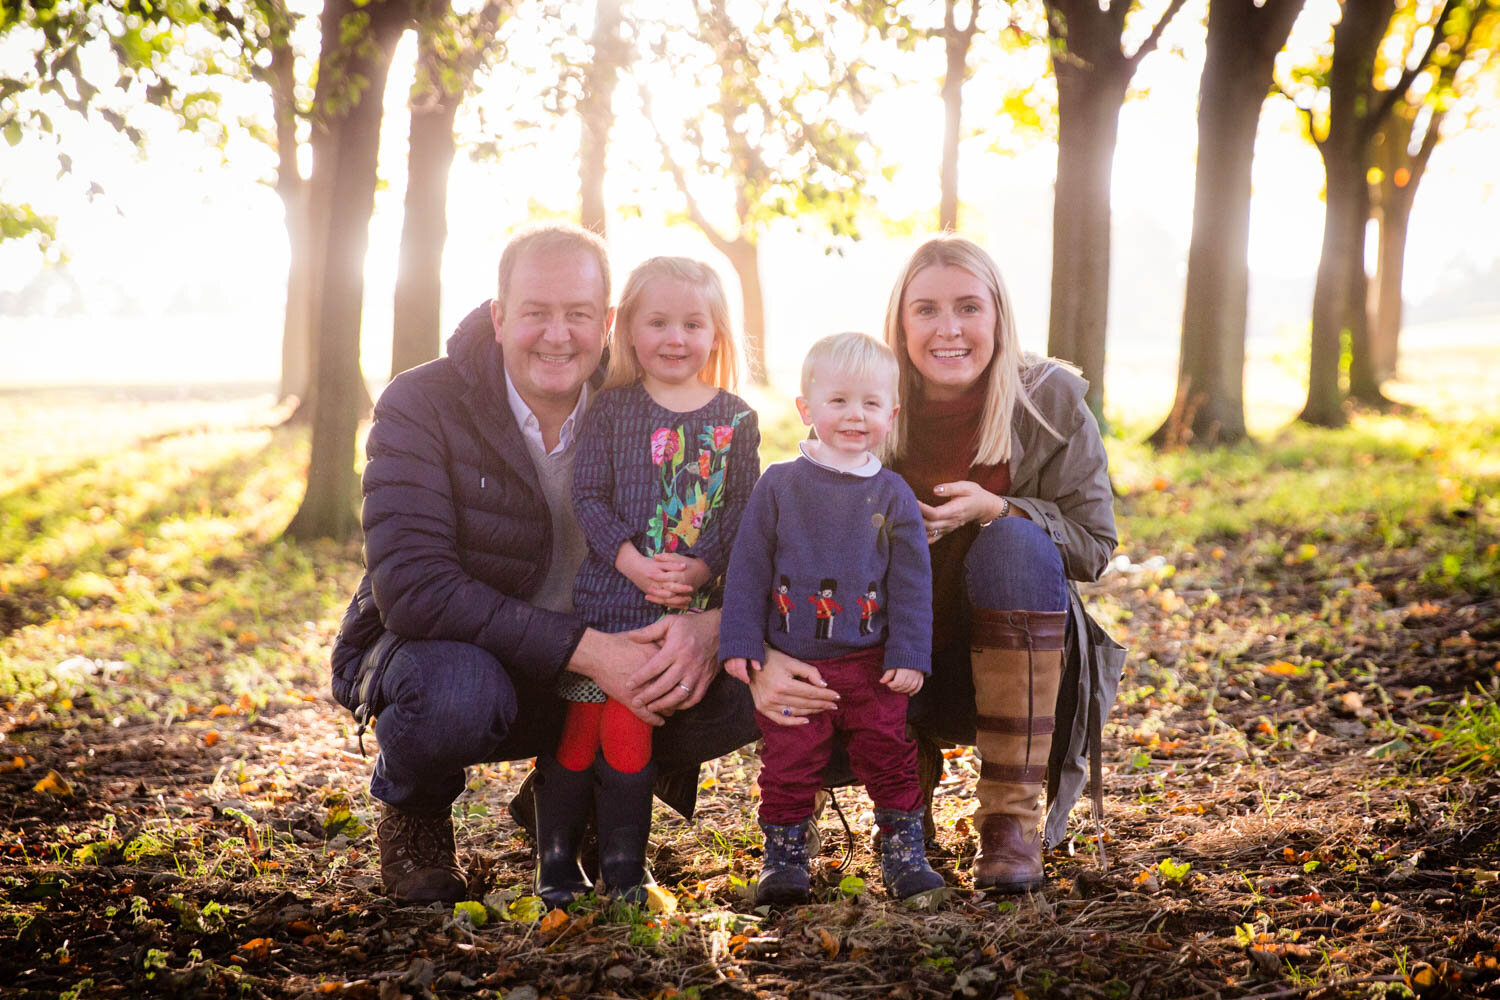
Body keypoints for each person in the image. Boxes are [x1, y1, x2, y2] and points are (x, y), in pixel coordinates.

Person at [329, 225, 757, 905]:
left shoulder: (658, 406)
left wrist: (713, 628)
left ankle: (573, 802)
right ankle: (415, 810)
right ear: (500, 318)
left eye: (579, 314)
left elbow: (735, 533)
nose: (558, 335)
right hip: (474, 656)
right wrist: (588, 652)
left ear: (607, 322)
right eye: (535, 312)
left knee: (743, 671)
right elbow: (414, 589)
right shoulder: (422, 406)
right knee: (454, 694)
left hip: (616, 650)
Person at [744, 236, 1122, 894]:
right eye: (927, 310)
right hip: (882, 661)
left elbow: (1094, 543)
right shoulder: (866, 402)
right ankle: (903, 812)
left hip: (1014, 664)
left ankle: (1010, 824)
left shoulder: (1050, 399)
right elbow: (786, 535)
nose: (949, 329)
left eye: (968, 307)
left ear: (998, 316)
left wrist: (997, 507)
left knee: (1015, 540)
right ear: (902, 322)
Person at [535, 257, 759, 909]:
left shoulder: (737, 421)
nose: (674, 337)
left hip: (674, 621)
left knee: (631, 728)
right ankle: (555, 864)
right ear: (627, 330)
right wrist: (630, 560)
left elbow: (744, 513)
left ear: (716, 333)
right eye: (657, 321)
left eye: (692, 323)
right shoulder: (612, 411)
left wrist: (705, 567)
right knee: (579, 729)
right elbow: (590, 497)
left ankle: (625, 868)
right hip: (606, 608)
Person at [721, 332, 946, 904]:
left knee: (890, 754)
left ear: (890, 415)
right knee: (790, 760)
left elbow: (912, 582)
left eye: (871, 404)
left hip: (870, 661)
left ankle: (902, 853)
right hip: (795, 661)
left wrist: (908, 653)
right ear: (806, 409)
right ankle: (785, 857)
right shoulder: (780, 485)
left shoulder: (892, 494)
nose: (855, 415)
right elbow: (748, 567)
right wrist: (742, 642)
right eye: (839, 401)